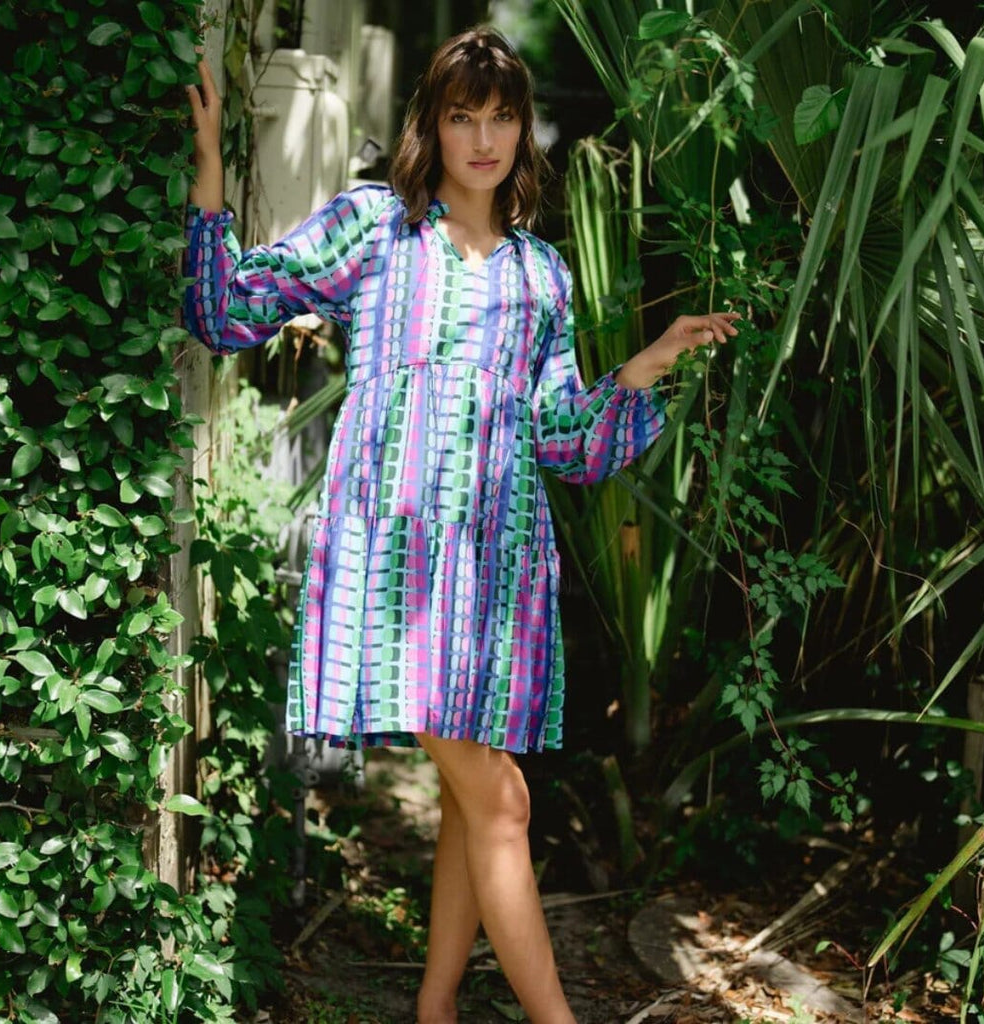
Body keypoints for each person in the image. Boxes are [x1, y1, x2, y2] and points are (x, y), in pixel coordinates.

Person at [184, 25, 739, 1024]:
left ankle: (433, 1008)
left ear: (524, 131)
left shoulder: (541, 275)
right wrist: (214, 166)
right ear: (430, 127)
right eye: (459, 116)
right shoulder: (373, 228)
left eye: (500, 116)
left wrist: (649, 360)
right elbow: (229, 311)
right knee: (505, 801)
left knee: (473, 801)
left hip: (496, 575)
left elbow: (565, 440)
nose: (481, 137)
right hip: (395, 565)